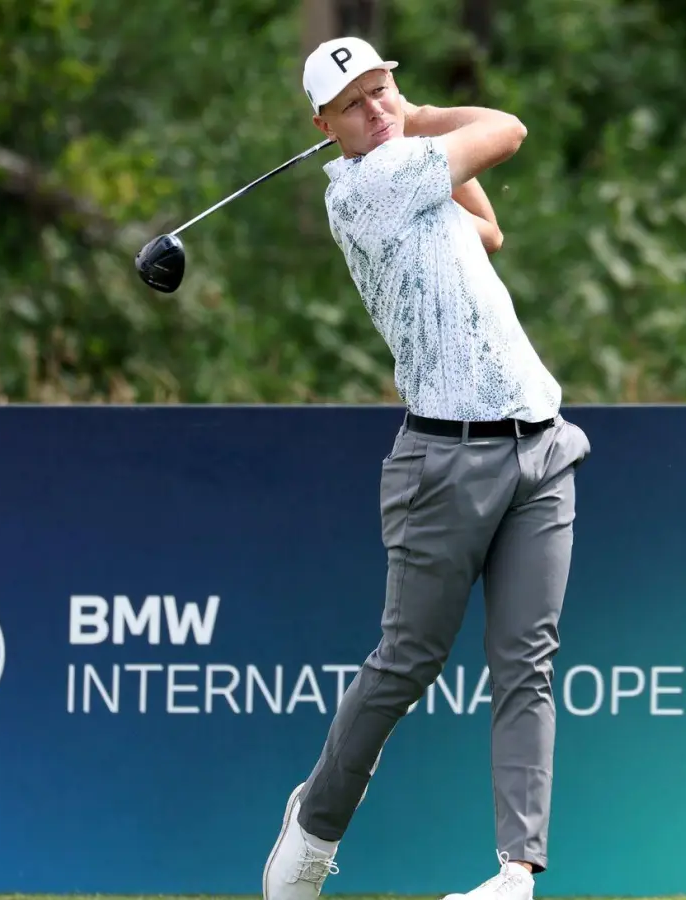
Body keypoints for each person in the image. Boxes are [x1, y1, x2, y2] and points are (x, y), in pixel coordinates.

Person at [262, 34, 592, 900]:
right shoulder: (369, 186)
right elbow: (508, 129)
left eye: (383, 92)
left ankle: (516, 875)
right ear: (323, 126)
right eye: (355, 104)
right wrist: (416, 120)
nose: (376, 111)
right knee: (407, 662)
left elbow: (490, 228)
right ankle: (314, 824)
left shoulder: (412, 174)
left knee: (528, 662)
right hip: (444, 462)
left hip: (541, 444)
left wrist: (407, 126)